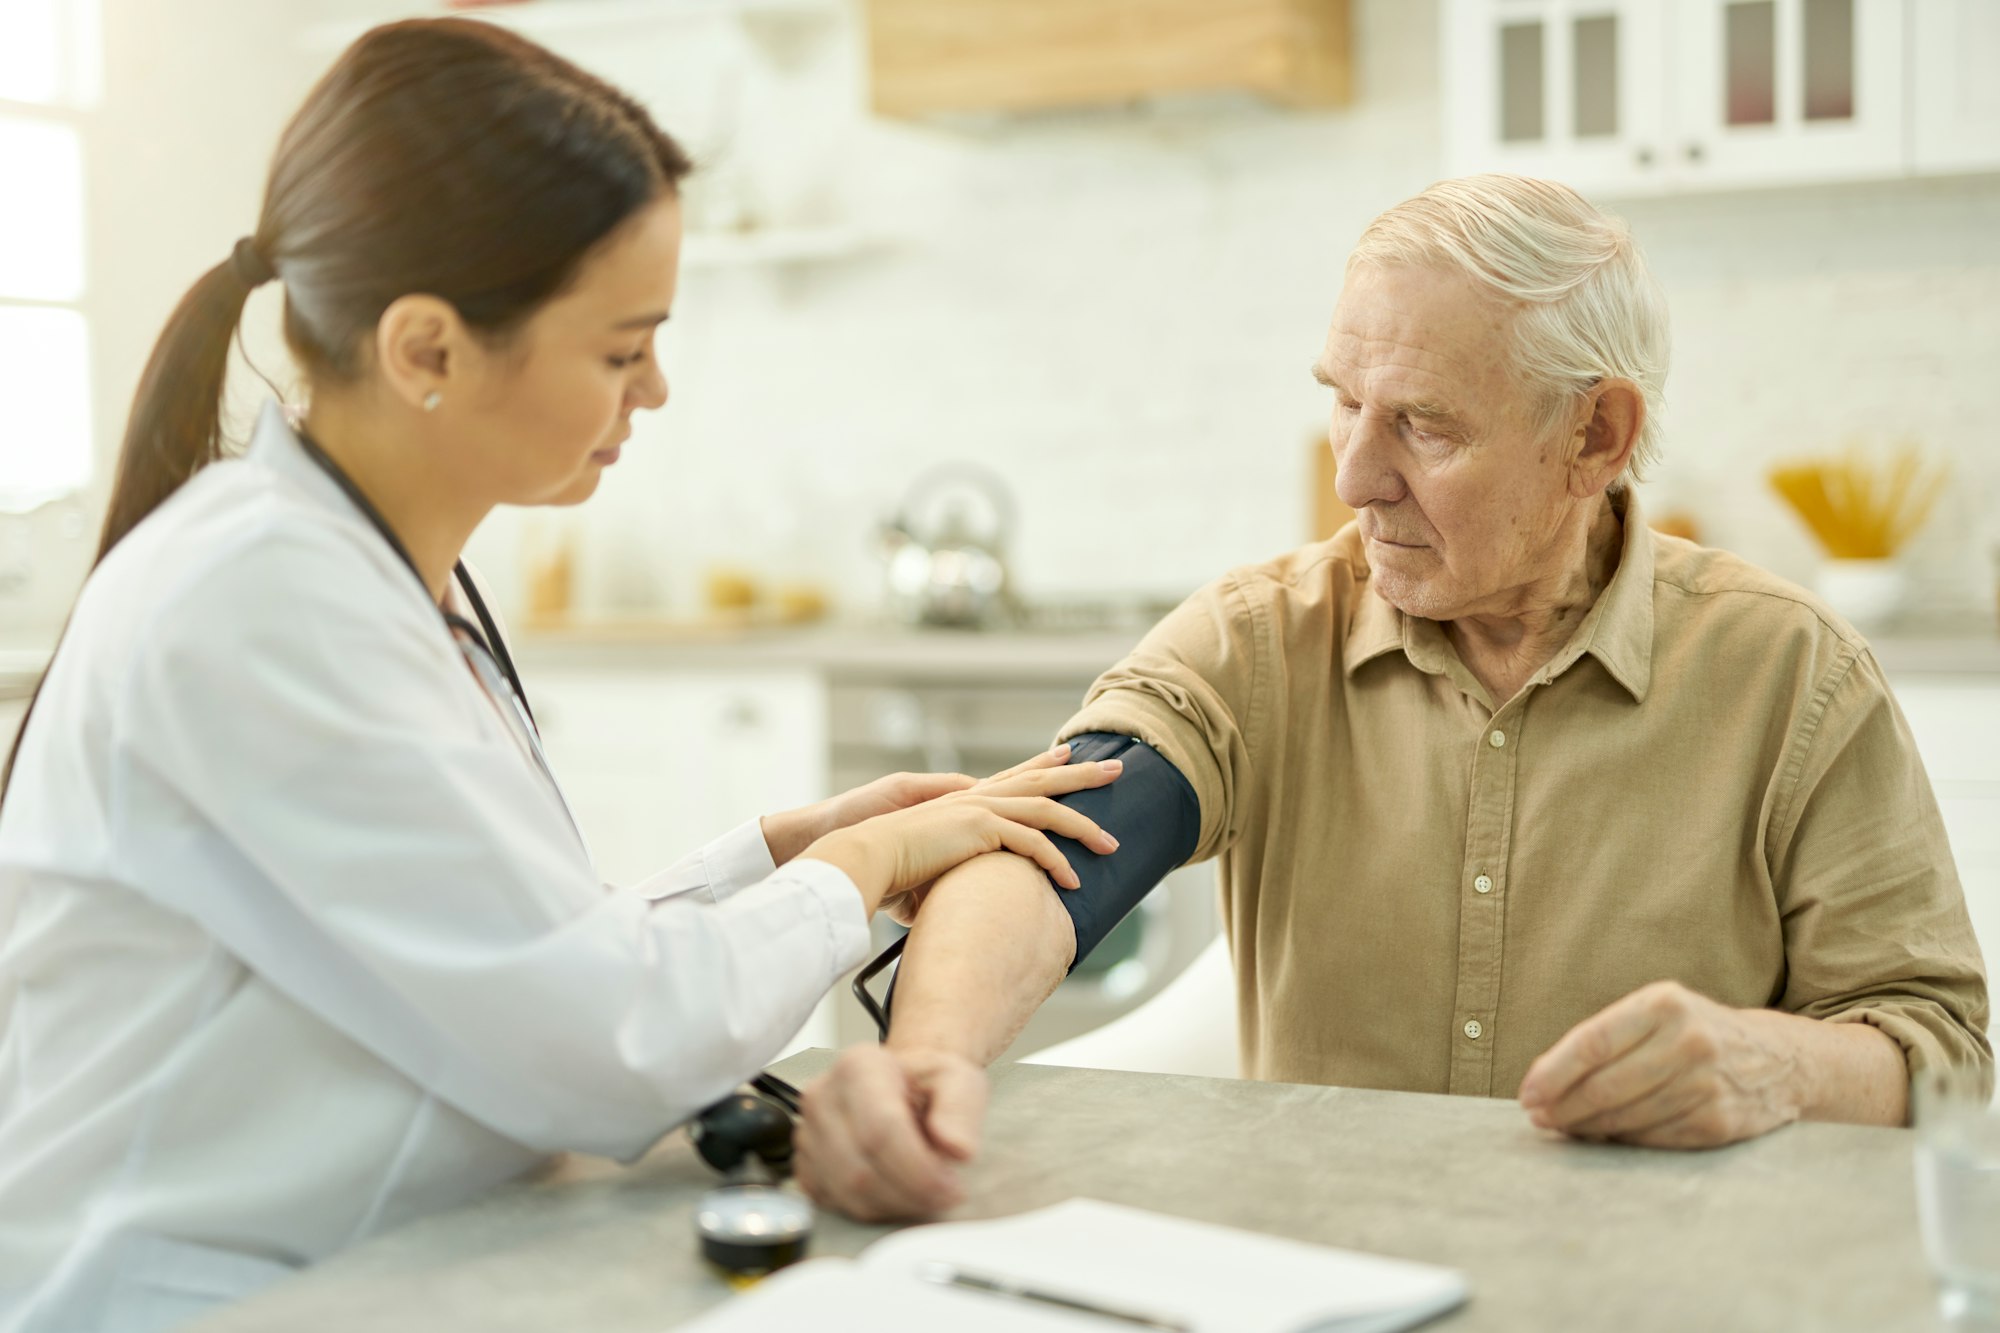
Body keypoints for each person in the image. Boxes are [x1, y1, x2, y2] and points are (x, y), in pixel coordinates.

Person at [0, 21, 1124, 1330]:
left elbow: (499, 960)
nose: (654, 387)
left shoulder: (368, 577)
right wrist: (862, 872)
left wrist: (778, 849)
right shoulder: (256, 600)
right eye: (619, 346)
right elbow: (599, 1046)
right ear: (426, 351)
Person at [792, 174, 1993, 1224]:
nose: (1354, 479)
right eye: (1341, 402)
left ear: (1594, 434)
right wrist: (926, 1057)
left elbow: (1940, 1053)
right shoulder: (1259, 637)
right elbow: (1045, 846)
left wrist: (1775, 1063)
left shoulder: (1790, 675)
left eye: (1422, 425)